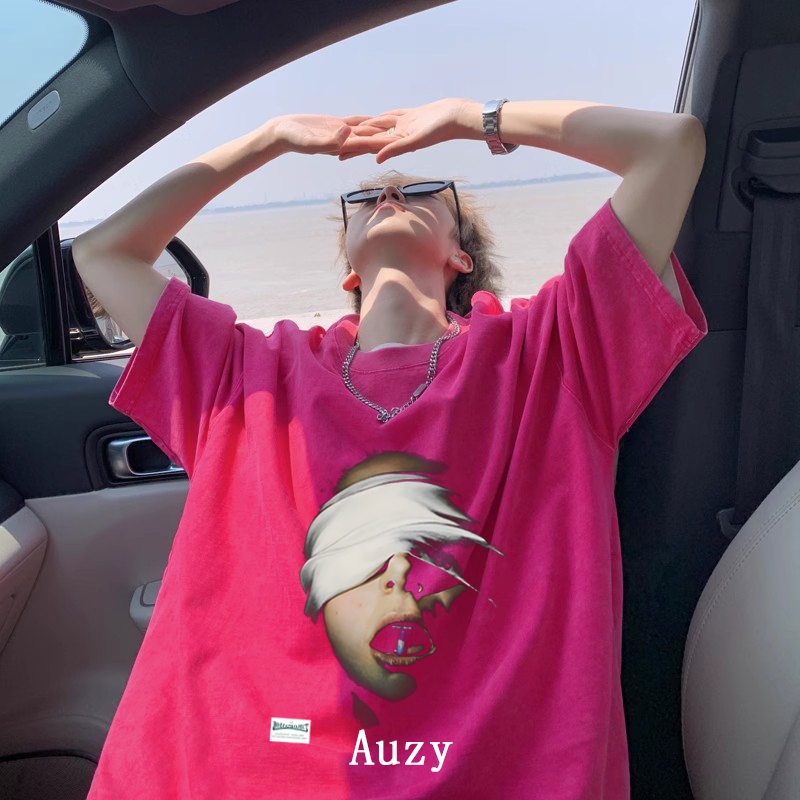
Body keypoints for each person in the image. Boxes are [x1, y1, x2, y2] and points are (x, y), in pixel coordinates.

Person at [74, 97, 708, 799]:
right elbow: (103, 253)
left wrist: (474, 117)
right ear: (349, 270)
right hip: (239, 772)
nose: (390, 195)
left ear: (461, 256)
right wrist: (272, 139)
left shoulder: (554, 353)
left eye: (422, 191)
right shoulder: (251, 371)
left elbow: (670, 147)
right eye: (367, 198)